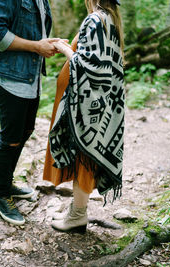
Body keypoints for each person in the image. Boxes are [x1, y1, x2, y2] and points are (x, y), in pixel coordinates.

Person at [44, 0, 125, 232]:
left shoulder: (95, 19)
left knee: (83, 154)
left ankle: (78, 215)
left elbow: (88, 65)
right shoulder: (110, 19)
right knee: (84, 154)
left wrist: (63, 48)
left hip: (86, 103)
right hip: (96, 100)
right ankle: (76, 212)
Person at [0, 0, 61, 225]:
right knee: (11, 138)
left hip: (30, 74)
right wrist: (37, 46)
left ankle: (6, 183)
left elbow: (35, 32)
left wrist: (48, 43)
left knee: (25, 131)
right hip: (10, 75)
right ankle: (1, 195)